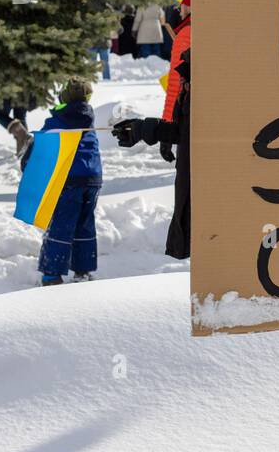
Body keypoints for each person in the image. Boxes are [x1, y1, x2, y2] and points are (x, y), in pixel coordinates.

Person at [111, 48, 192, 259]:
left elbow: (195, 130)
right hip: (188, 169)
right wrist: (164, 134)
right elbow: (185, 124)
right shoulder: (192, 75)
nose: (181, 11)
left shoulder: (207, 80)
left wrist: (147, 129)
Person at [25, 80, 103, 286]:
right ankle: (82, 271)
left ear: (64, 97)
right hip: (93, 179)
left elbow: (38, 151)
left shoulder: (58, 121)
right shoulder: (89, 119)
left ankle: (52, 274)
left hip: (69, 181)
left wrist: (28, 165)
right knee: (84, 224)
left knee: (61, 224)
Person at [163, 0, 192, 121]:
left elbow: (175, 82)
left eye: (182, 4)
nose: (179, 10)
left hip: (186, 110)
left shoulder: (186, 33)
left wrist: (167, 121)